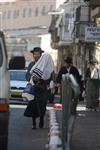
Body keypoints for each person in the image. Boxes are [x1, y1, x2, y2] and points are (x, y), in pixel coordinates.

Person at [24, 50, 54, 129]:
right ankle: (34, 123)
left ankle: (41, 119)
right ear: (33, 55)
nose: (36, 55)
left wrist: (44, 81)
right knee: (33, 106)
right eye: (35, 54)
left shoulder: (46, 64)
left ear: (41, 55)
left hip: (43, 89)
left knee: (42, 106)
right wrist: (31, 79)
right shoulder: (31, 64)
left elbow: (50, 75)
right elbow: (28, 75)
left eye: (38, 54)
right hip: (34, 89)